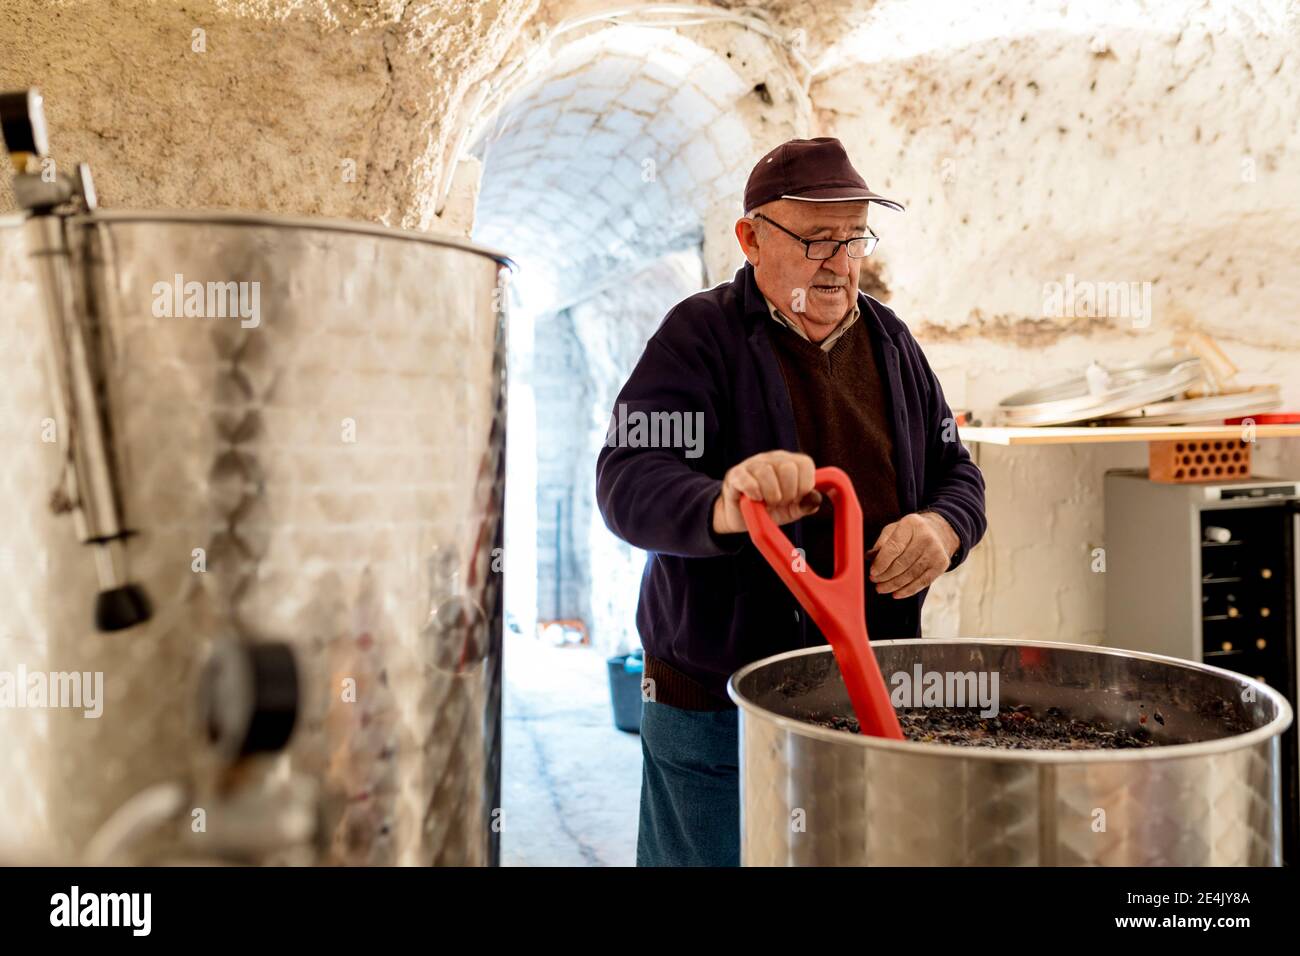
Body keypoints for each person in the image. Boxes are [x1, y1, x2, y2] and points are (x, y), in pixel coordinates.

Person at [595, 137, 987, 866]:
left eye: (854, 237)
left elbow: (955, 471)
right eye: (815, 239)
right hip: (716, 704)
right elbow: (627, 479)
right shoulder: (699, 336)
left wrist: (943, 526)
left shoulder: (894, 344)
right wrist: (722, 503)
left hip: (865, 693)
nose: (839, 262)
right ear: (751, 238)